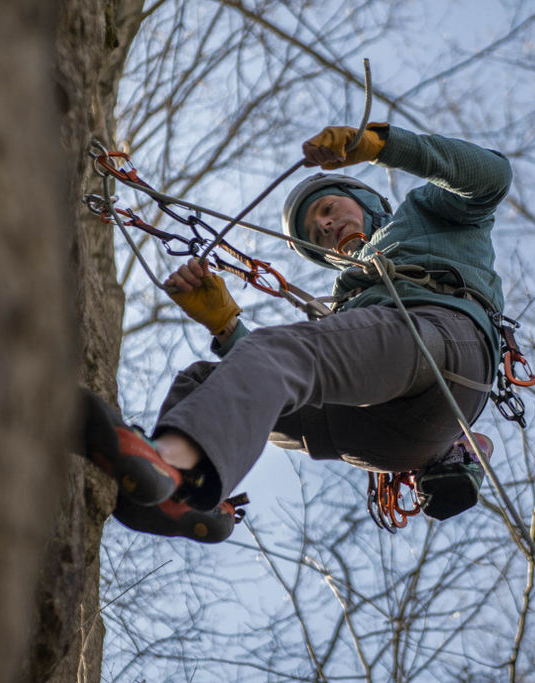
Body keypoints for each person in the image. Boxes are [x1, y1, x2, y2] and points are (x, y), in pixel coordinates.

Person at [83, 122, 511, 542]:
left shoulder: (425, 215)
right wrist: (227, 327)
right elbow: (275, 375)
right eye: (314, 236)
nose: (324, 228)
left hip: (446, 341)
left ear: (362, 198)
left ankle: (173, 469)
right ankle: (184, 496)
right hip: (387, 440)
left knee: (280, 353)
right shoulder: (349, 301)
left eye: (327, 210)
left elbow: (492, 177)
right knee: (206, 381)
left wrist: (380, 145)